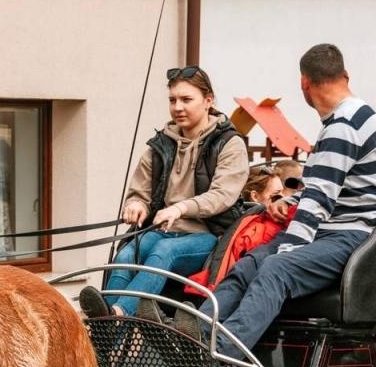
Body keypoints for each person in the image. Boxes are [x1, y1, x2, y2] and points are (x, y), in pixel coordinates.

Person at [180, 43, 376, 355]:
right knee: (249, 263)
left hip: (351, 236)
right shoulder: (356, 117)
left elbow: (319, 201)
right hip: (339, 231)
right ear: (345, 75)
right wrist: (290, 203)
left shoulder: (342, 127)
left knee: (276, 268)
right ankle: (192, 337)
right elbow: (332, 188)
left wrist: (288, 249)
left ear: (304, 84)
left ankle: (222, 352)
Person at [80, 66, 249, 318]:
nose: (178, 107)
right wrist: (137, 204)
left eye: (186, 99)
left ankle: (117, 314)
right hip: (160, 231)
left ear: (208, 101)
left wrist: (180, 208)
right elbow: (140, 191)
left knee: (164, 253)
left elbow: (222, 195)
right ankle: (104, 329)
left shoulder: (229, 144)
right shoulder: (160, 145)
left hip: (209, 235)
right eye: (172, 100)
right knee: (127, 253)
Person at [187, 158, 300, 293]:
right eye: (276, 197)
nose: (282, 202)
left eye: (284, 195)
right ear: (255, 197)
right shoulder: (256, 223)